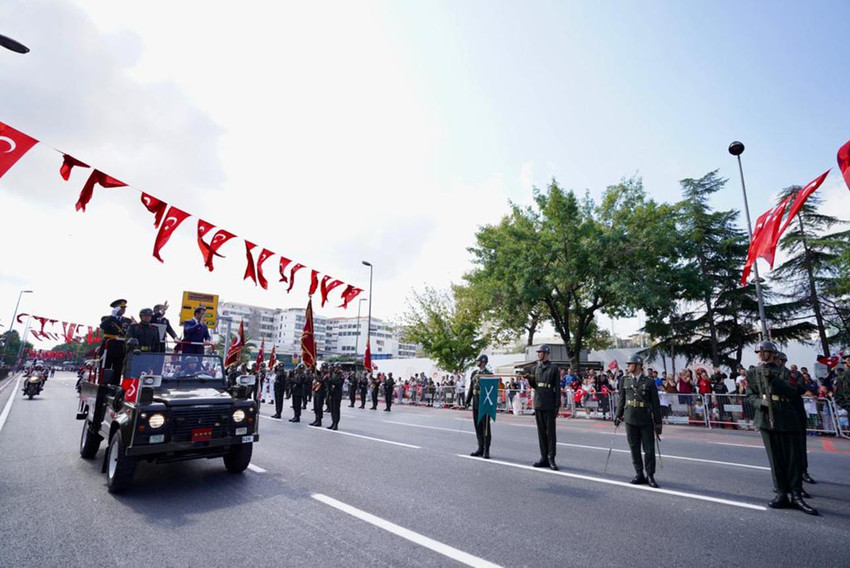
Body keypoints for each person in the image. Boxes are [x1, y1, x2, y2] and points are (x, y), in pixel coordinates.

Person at [746, 342, 817, 515]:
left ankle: (796, 495)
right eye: (759, 352)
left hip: (785, 417)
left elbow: (793, 391)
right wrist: (759, 403)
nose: (761, 355)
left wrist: (774, 379)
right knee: (775, 460)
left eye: (764, 352)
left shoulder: (786, 373)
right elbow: (750, 395)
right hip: (765, 418)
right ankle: (781, 494)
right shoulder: (753, 373)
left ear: (773, 354)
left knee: (792, 459)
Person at [614, 354, 662, 487]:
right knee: (634, 448)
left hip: (646, 419)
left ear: (638, 365)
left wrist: (658, 423)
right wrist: (618, 415)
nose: (628, 366)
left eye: (630, 364)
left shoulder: (649, 382)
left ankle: (650, 475)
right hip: (630, 418)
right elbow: (622, 399)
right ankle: (639, 473)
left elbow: (656, 404)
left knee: (649, 450)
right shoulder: (624, 380)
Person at [779, 352, 816, 487]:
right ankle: (786, 480)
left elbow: (800, 388)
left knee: (800, 446)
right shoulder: (775, 375)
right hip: (784, 414)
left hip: (796, 412)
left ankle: (803, 472)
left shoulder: (793, 375)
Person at [526, 345, 561, 470]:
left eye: (540, 352)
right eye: (538, 352)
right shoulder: (536, 368)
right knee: (541, 433)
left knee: (550, 433)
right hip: (539, 403)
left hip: (550, 403)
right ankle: (543, 457)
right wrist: (529, 380)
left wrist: (557, 405)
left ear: (546, 353)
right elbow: (535, 386)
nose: (538, 354)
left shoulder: (553, 368)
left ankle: (551, 458)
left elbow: (557, 388)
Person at [465, 354, 493, 459]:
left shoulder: (488, 374)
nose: (477, 362)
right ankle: (480, 448)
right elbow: (471, 388)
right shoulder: (474, 373)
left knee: (485, 428)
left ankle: (486, 449)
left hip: (484, 403)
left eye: (478, 361)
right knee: (478, 427)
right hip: (476, 402)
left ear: (483, 361)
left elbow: (492, 390)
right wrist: (468, 401)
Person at [99, 299, 132, 384]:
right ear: (115, 308)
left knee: (118, 369)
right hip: (108, 346)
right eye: (120, 308)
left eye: (124, 308)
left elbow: (128, 332)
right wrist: (112, 316)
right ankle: (102, 386)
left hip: (120, 347)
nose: (123, 310)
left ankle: (115, 386)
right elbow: (103, 326)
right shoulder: (107, 318)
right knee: (105, 367)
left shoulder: (127, 321)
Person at [327, 364, 344, 430]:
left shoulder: (341, 375)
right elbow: (330, 383)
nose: (335, 369)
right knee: (332, 409)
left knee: (336, 410)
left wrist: (331, 380)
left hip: (337, 394)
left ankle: (336, 424)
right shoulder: (333, 374)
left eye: (337, 368)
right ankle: (333, 422)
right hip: (332, 393)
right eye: (335, 367)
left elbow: (339, 384)